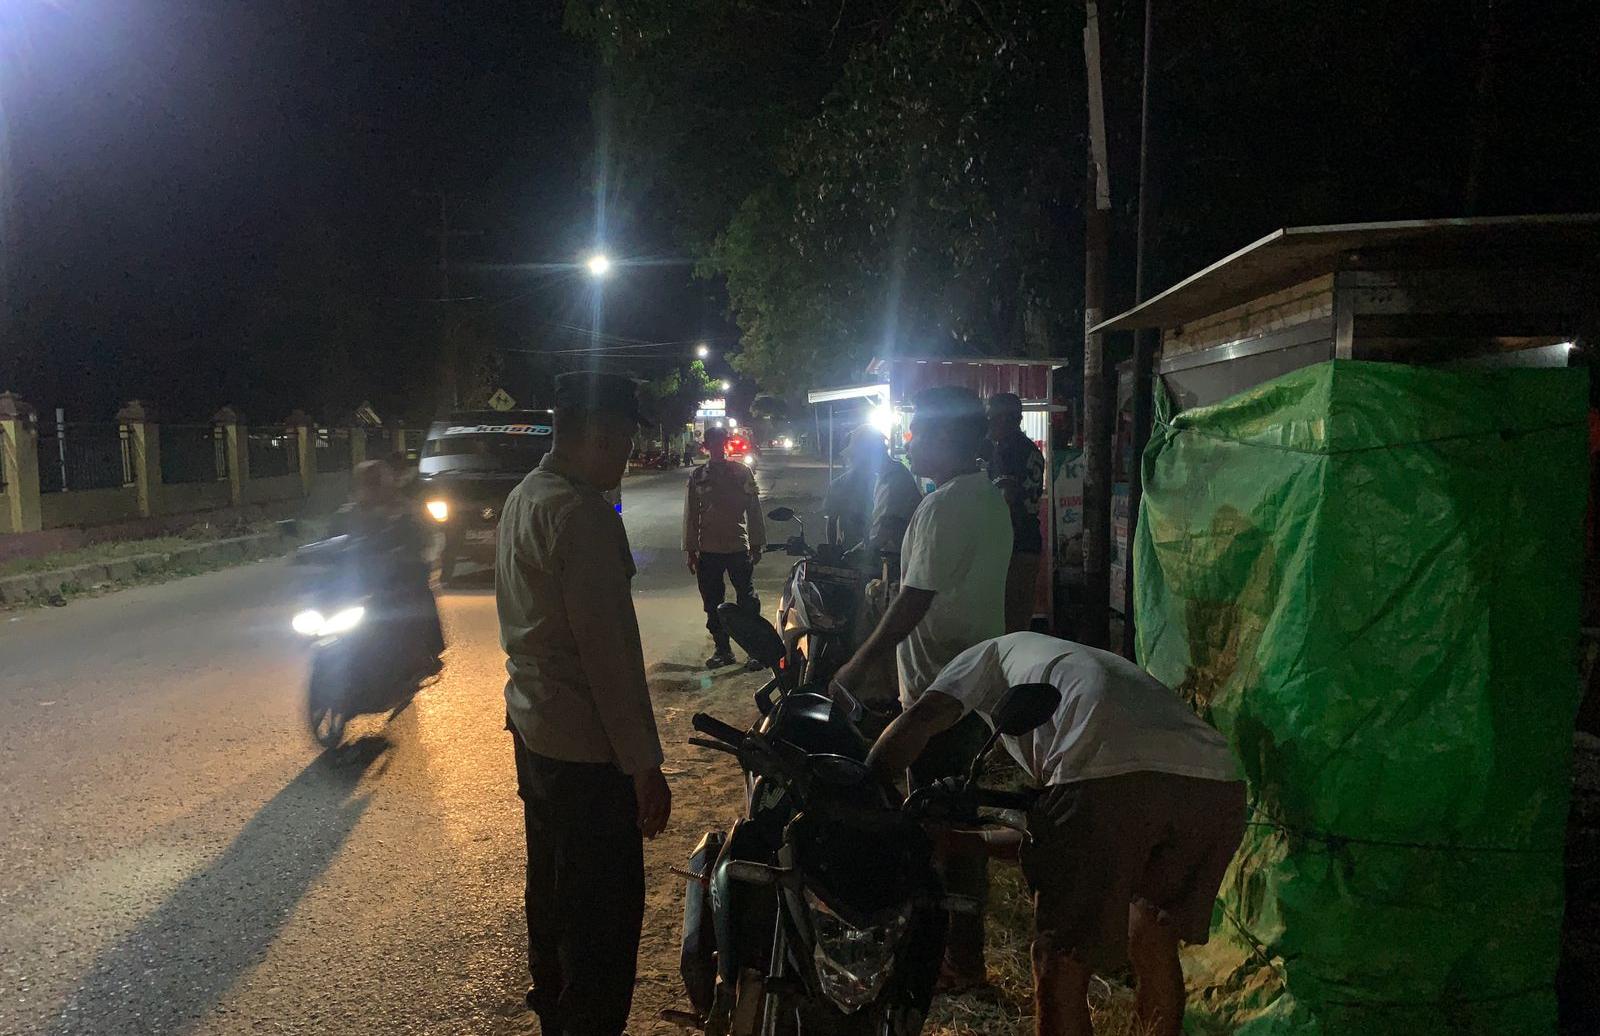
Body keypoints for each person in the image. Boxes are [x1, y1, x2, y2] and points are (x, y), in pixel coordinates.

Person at [867, 632, 1246, 1036]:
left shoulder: (982, 655)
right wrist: (962, 841)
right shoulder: (1067, 668)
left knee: (1061, 959)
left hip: (1113, 773)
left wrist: (865, 790)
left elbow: (923, 716)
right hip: (1217, 784)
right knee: (1153, 935)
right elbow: (1057, 833)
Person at [496, 371, 671, 1036]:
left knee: (552, 897)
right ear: (599, 434)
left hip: (536, 733)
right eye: (625, 439)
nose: (629, 454)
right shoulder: (582, 515)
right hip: (586, 756)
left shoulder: (526, 496)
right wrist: (644, 767)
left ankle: (556, 1014)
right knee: (600, 925)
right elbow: (610, 660)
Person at [829, 384, 1012, 989]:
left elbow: (913, 600)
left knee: (943, 827)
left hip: (943, 690)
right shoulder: (987, 497)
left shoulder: (945, 504)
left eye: (919, 432)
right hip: (970, 683)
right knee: (952, 818)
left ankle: (961, 960)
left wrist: (858, 665)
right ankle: (955, 949)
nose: (908, 442)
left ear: (947, 436)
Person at [335, 460, 444, 670]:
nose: (371, 488)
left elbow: (427, 540)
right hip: (361, 582)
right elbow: (331, 542)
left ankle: (427, 652)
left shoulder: (406, 511)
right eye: (366, 482)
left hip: (397, 580)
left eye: (375, 482)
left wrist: (414, 556)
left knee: (418, 594)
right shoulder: (347, 514)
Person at [683, 425, 767, 670]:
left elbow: (753, 510)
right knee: (712, 603)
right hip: (708, 549)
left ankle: (754, 650)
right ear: (706, 447)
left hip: (738, 546)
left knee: (747, 601)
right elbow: (691, 515)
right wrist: (690, 550)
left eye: (721, 442)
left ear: (726, 444)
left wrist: (757, 543)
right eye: (713, 443)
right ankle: (723, 649)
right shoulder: (698, 476)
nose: (718, 447)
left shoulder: (742, 472)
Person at [981, 393, 1048, 633]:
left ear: (1003, 418)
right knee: (1019, 619)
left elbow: (1006, 498)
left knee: (1004, 623)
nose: (987, 424)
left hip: (1012, 545)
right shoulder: (1030, 449)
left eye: (989, 417)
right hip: (1029, 540)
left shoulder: (1006, 450)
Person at [822, 426, 922, 566]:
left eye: (856, 456)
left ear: (868, 454)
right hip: (892, 558)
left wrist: (853, 554)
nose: (854, 462)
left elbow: (882, 530)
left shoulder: (893, 479)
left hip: (898, 560)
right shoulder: (883, 478)